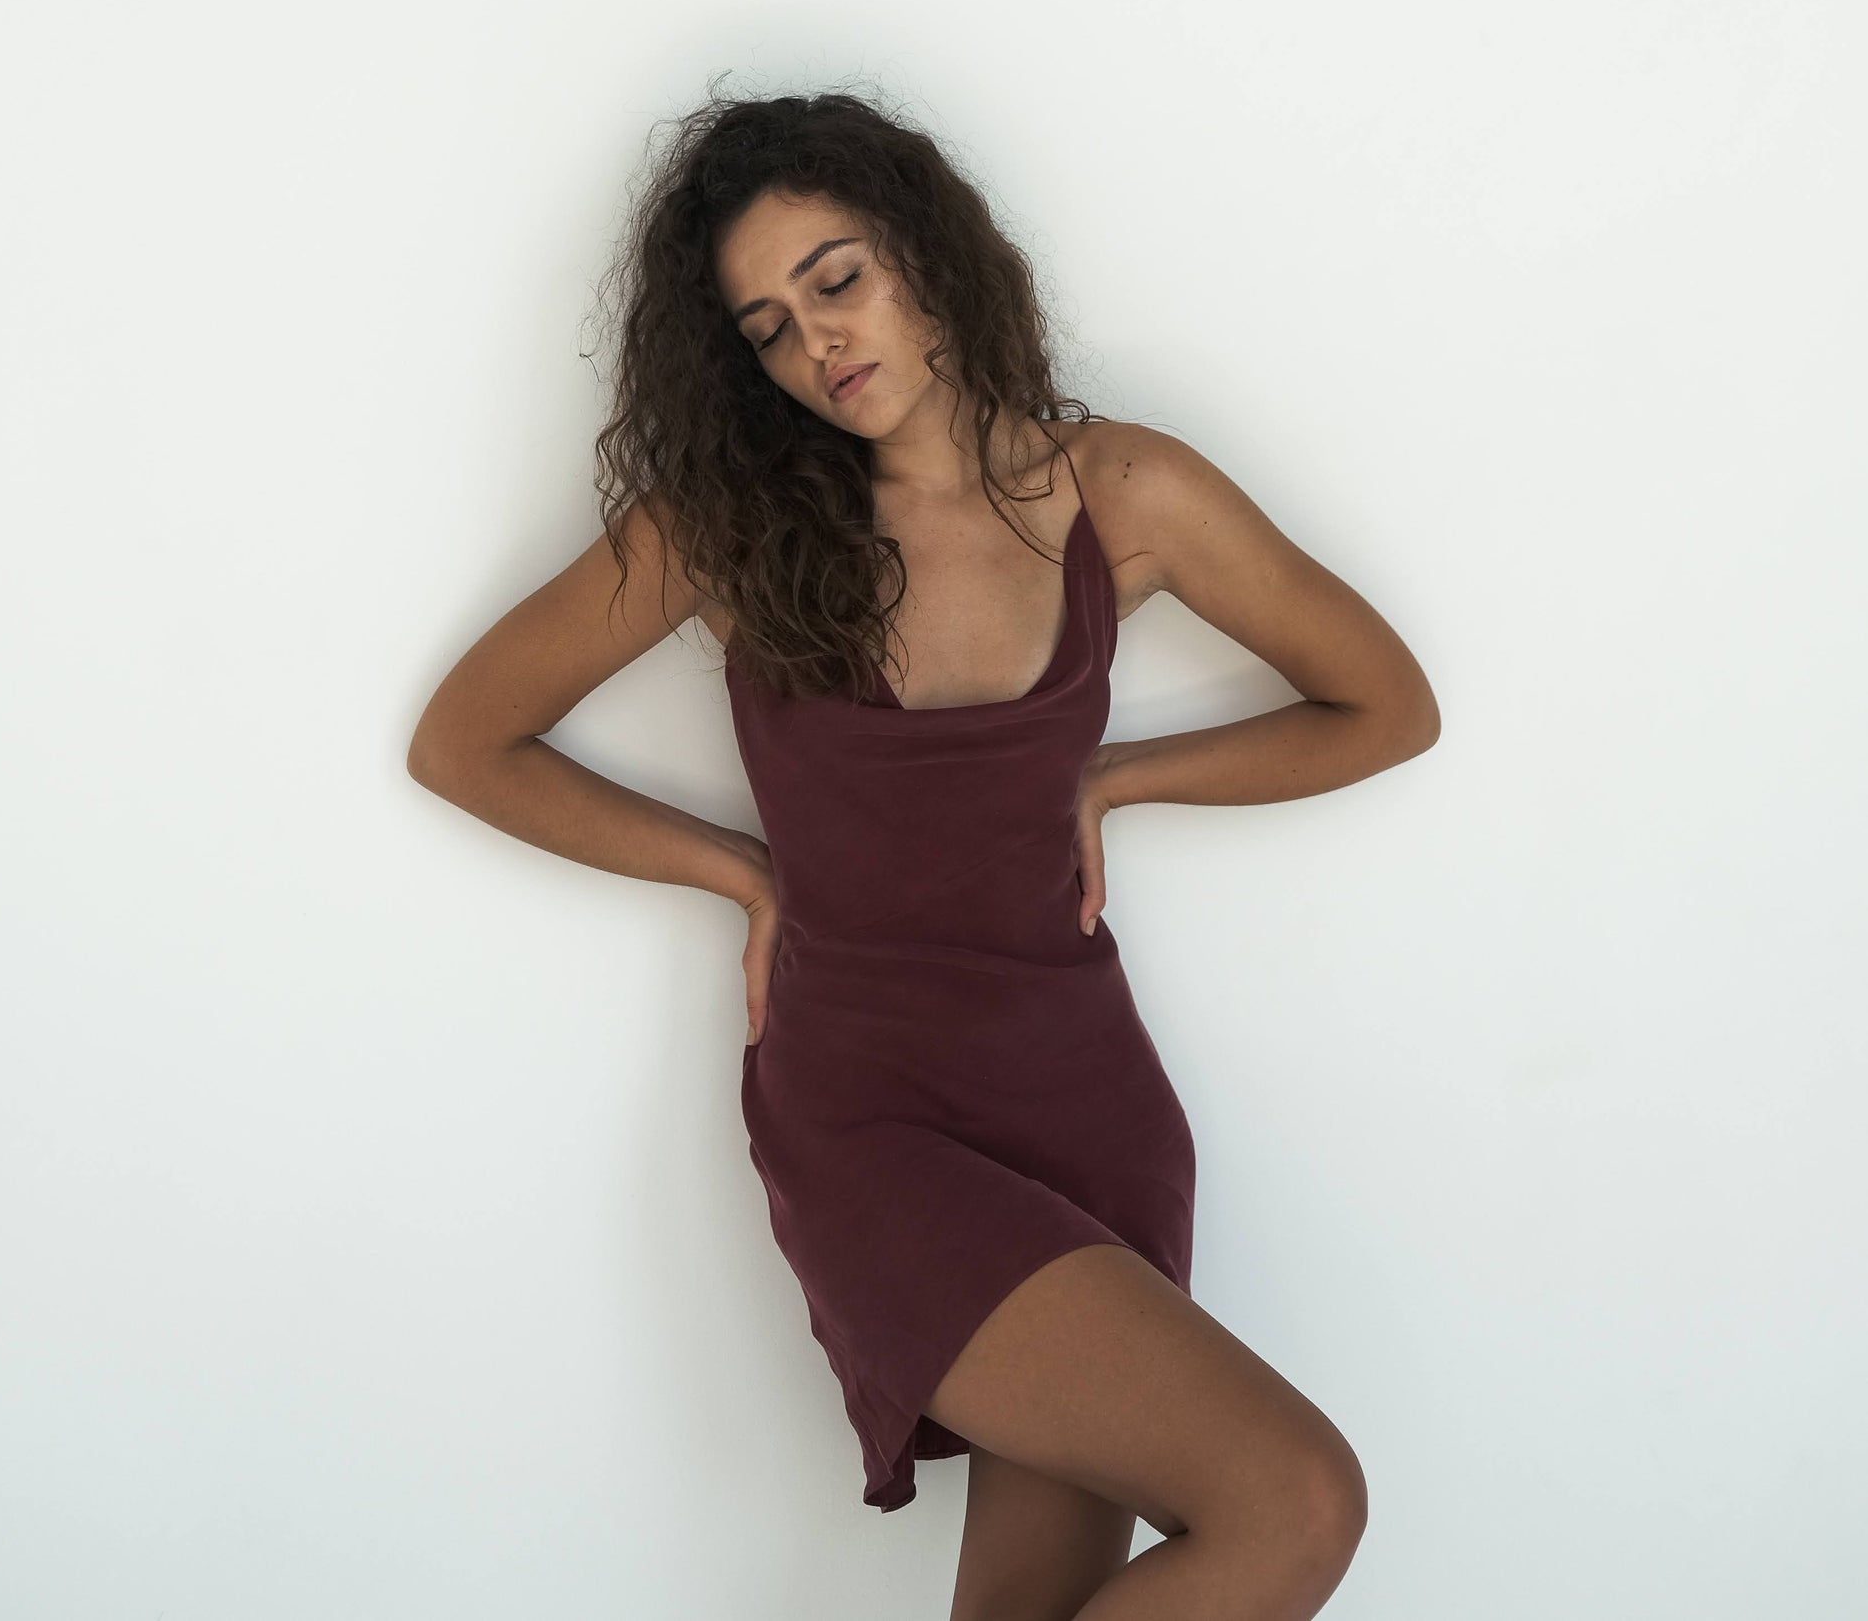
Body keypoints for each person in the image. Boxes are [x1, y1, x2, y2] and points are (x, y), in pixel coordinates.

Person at [408, 85, 1441, 1619]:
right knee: (1291, 1504)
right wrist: (740, 872)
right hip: (869, 1121)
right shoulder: (724, 531)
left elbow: (1384, 707)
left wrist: (1122, 774)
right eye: (765, 325)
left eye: (835, 277)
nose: (815, 342)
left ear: (926, 253)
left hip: (1088, 1104)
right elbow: (465, 742)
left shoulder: (1122, 494)